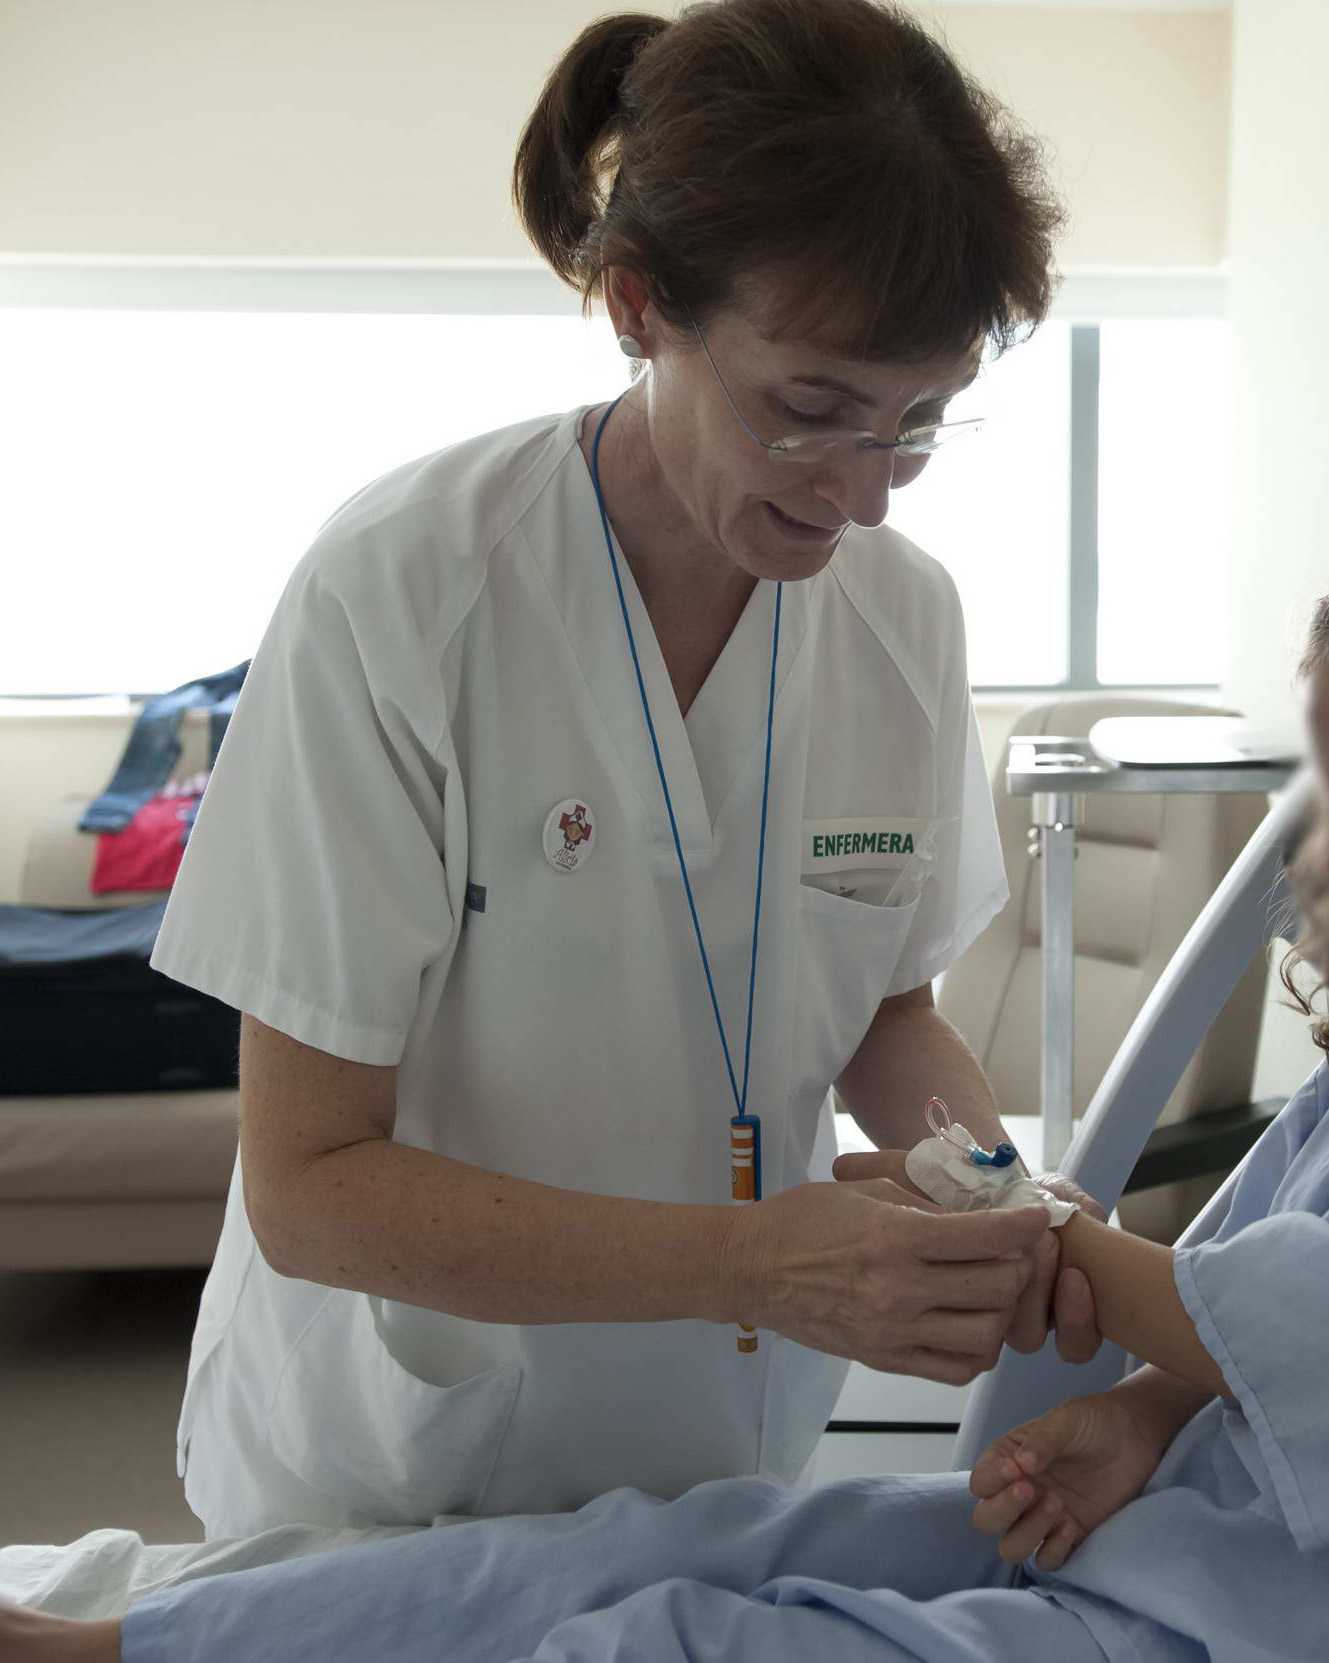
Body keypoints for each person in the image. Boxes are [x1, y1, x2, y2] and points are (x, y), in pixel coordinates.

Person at [144, 0, 1105, 1542]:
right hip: (390, 1459)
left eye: (918, 423)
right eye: (809, 412)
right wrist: (764, 1263)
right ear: (640, 309)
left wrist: (995, 1190)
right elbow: (311, 1185)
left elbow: (886, 1010)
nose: (860, 494)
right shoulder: (405, 589)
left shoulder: (900, 613)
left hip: (717, 1445)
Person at [7, 609, 1329, 1663]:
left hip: (1208, 1619)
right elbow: (1250, 1341)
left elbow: (1270, 1322)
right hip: (1173, 1511)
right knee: (659, 1548)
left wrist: (1017, 1224)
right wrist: (1147, 1405)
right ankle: (135, 1646)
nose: (1309, 849)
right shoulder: (416, 577)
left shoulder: (888, 612)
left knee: (652, 1638)